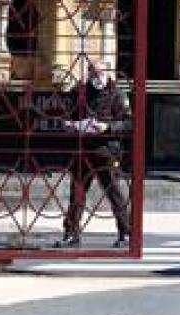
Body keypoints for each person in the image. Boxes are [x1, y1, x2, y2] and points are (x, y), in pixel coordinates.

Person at [55, 60, 131, 248]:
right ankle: (71, 233)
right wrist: (70, 125)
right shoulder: (80, 92)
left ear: (107, 73)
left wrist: (108, 127)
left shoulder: (117, 94)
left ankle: (125, 232)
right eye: (93, 73)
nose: (97, 77)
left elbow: (128, 123)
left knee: (114, 192)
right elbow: (67, 115)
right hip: (83, 149)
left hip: (106, 150)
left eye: (100, 73)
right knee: (77, 193)